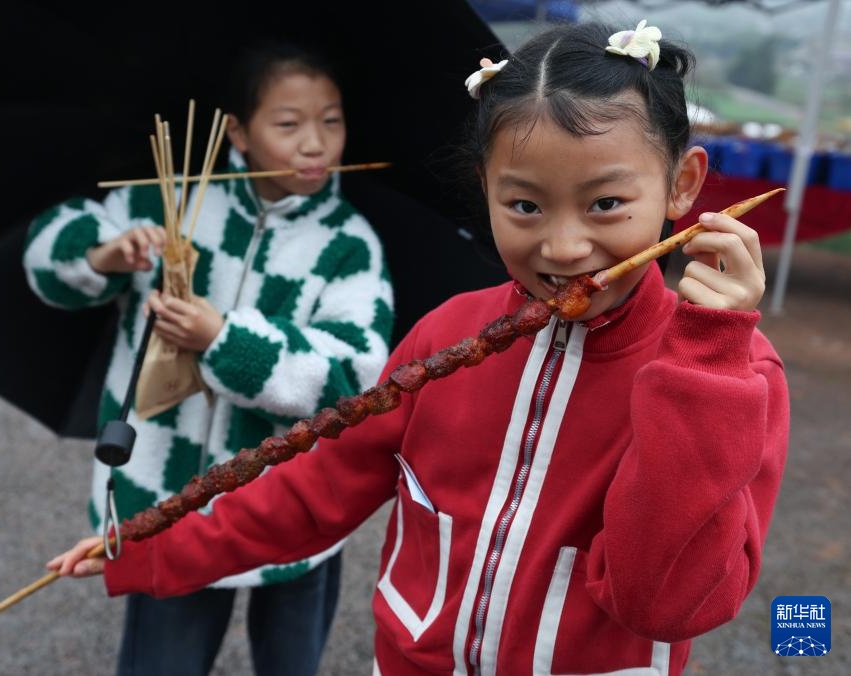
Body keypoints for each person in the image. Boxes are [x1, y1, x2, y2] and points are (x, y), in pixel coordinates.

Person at [48, 22, 789, 675]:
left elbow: (664, 603)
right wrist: (144, 545)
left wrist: (702, 366)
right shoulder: (447, 335)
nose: (563, 247)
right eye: (523, 205)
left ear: (682, 183)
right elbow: (314, 486)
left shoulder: (736, 378)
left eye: (606, 204)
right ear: (486, 188)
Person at [24, 42, 393, 676]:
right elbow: (45, 257)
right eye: (288, 123)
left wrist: (222, 338)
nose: (315, 144)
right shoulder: (166, 201)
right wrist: (103, 254)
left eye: (331, 121)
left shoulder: (348, 244)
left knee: (290, 661)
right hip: (163, 497)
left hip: (287, 500)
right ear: (237, 132)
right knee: (159, 661)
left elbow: (352, 376)